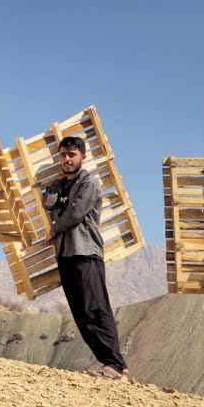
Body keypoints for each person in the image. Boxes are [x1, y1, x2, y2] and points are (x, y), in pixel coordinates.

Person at [44, 135, 128, 379]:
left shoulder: (89, 182)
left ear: (83, 156)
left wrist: (54, 229)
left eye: (72, 155)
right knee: (80, 312)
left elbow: (75, 213)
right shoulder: (63, 184)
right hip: (66, 253)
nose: (67, 159)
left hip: (85, 252)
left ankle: (114, 363)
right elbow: (48, 200)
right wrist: (55, 187)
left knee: (96, 308)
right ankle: (107, 362)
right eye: (63, 155)